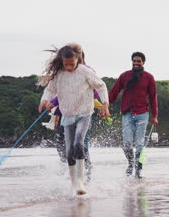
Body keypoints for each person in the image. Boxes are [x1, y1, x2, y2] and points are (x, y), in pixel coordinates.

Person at [38, 44, 110, 195]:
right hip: (67, 116)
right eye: (66, 64)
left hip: (84, 114)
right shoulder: (59, 74)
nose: (69, 67)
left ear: (78, 59)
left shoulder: (85, 71)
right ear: (62, 61)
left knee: (79, 142)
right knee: (69, 150)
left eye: (72, 64)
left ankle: (81, 182)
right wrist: (44, 100)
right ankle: (73, 183)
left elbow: (101, 86)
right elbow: (50, 90)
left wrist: (105, 104)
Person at [109, 52, 158, 179]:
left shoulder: (149, 77)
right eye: (134, 61)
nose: (136, 63)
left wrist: (155, 115)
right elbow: (114, 92)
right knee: (127, 143)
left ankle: (139, 170)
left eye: (139, 61)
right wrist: (106, 105)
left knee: (140, 143)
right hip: (127, 113)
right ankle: (131, 163)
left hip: (143, 113)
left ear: (143, 63)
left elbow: (153, 97)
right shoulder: (125, 76)